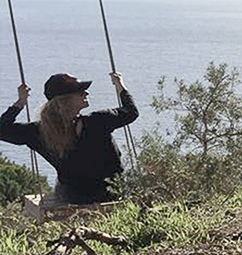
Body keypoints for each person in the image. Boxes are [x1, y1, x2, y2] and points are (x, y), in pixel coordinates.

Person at [0, 72, 138, 203]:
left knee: (66, 182)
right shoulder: (98, 121)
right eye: (80, 92)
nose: (86, 93)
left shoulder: (38, 132)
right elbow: (131, 112)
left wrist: (20, 103)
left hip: (73, 196)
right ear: (65, 101)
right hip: (109, 193)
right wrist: (120, 85)